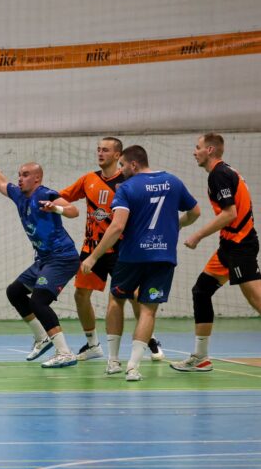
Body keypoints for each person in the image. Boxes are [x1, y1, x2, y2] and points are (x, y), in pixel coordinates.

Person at [82, 145, 200, 381]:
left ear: (134, 164)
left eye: (124, 165)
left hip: (132, 256)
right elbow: (195, 212)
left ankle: (113, 361)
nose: (122, 170)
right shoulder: (173, 182)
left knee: (116, 300)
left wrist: (93, 256)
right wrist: (175, 225)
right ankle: (133, 367)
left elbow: (117, 226)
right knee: (148, 310)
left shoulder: (127, 188)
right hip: (163, 257)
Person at [0, 137, 81, 368]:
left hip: (62, 258)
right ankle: (42, 337)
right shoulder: (20, 196)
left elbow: (74, 211)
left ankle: (65, 353)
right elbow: (0, 182)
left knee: (39, 301)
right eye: (19, 174)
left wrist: (57, 208)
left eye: (24, 174)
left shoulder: (47, 194)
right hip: (43, 260)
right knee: (14, 292)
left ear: (37, 178)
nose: (19, 178)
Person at [58, 137, 165, 363]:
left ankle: (150, 338)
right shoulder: (88, 179)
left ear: (118, 155)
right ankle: (92, 344)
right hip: (92, 249)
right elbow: (64, 196)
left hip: (121, 249)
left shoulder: (128, 181)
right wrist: (47, 200)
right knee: (80, 294)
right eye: (98, 149)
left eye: (105, 150)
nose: (100, 153)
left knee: (134, 295)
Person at [171, 133, 261, 372]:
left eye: (197, 147)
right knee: (201, 291)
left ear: (210, 150)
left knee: (256, 299)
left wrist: (197, 235)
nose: (194, 151)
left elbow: (229, 214)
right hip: (229, 247)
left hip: (241, 246)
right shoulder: (224, 173)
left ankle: (200, 356)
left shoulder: (219, 174)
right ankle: (201, 357)